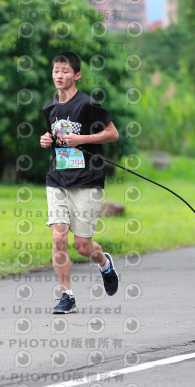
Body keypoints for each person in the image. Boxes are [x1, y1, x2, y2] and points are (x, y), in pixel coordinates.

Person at [39, 51, 120, 314]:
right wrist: (47, 140)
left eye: (64, 71)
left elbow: (112, 134)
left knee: (82, 246)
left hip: (87, 180)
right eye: (55, 71)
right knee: (58, 237)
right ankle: (67, 295)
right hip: (58, 179)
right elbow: (55, 136)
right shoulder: (49, 108)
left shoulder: (88, 105)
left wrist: (82, 139)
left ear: (76, 75)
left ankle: (104, 263)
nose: (59, 75)